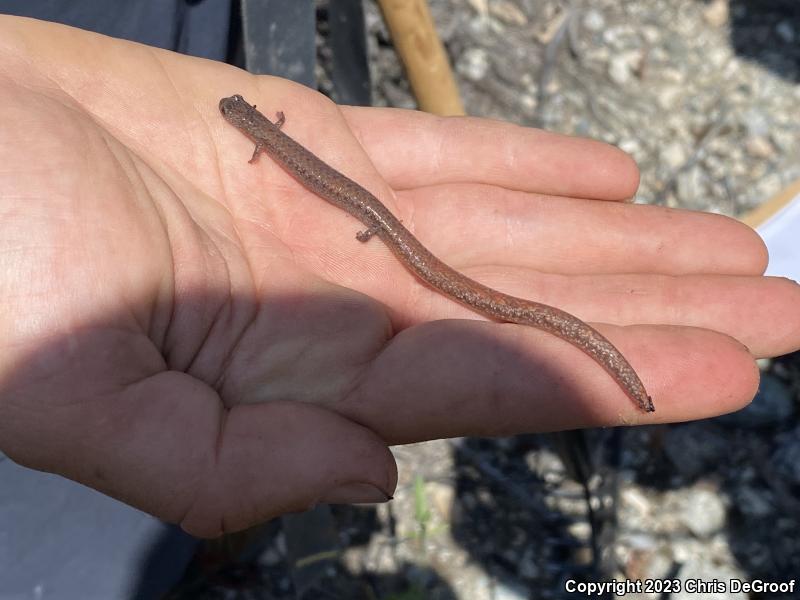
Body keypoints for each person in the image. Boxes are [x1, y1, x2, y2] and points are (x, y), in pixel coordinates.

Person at [1, 15, 798, 541]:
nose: (240, 118)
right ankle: (606, 363)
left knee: (459, 282)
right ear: (250, 129)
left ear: (250, 127)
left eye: (240, 116)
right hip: (376, 220)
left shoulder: (262, 137)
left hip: (380, 222)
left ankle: (618, 368)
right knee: (456, 282)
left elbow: (281, 148)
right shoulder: (262, 133)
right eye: (239, 117)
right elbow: (273, 141)